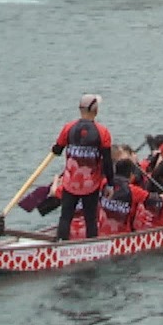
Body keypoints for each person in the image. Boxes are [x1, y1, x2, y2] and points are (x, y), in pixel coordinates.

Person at [53, 94, 111, 240]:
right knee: (90, 217)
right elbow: (108, 161)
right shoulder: (102, 132)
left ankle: (61, 243)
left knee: (66, 216)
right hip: (91, 184)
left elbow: (57, 150)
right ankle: (91, 243)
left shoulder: (68, 128)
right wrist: (110, 184)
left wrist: (56, 148)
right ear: (95, 111)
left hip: (70, 182)